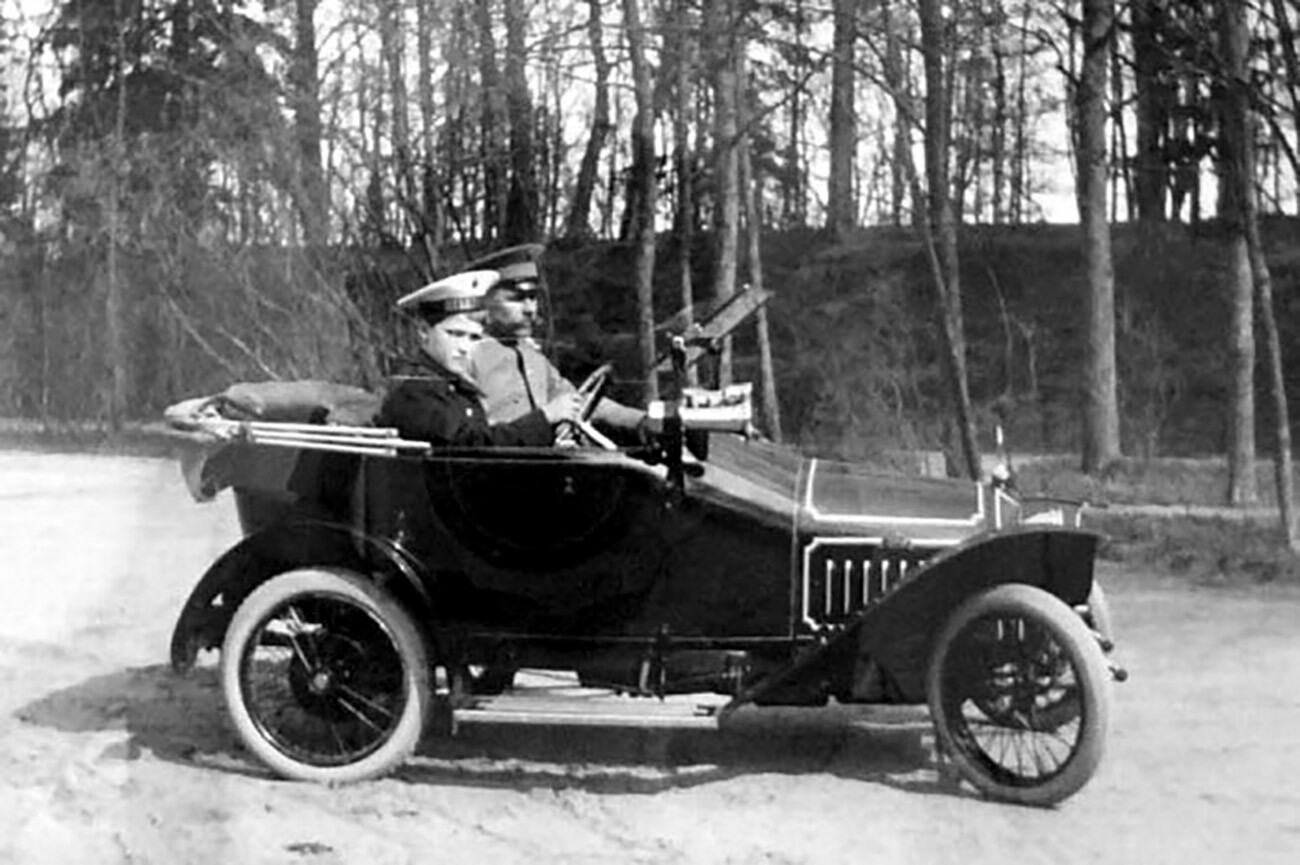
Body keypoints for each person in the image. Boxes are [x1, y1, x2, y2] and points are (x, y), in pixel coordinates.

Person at [375, 270, 582, 446]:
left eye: (473, 337)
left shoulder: (455, 387)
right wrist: (544, 419)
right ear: (423, 331)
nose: (465, 347)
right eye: (454, 334)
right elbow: (476, 446)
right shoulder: (415, 390)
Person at [474, 258, 646, 435]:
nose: (530, 309)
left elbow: (578, 402)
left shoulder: (533, 357)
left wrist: (641, 421)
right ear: (483, 305)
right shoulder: (469, 356)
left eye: (532, 298)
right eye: (516, 299)